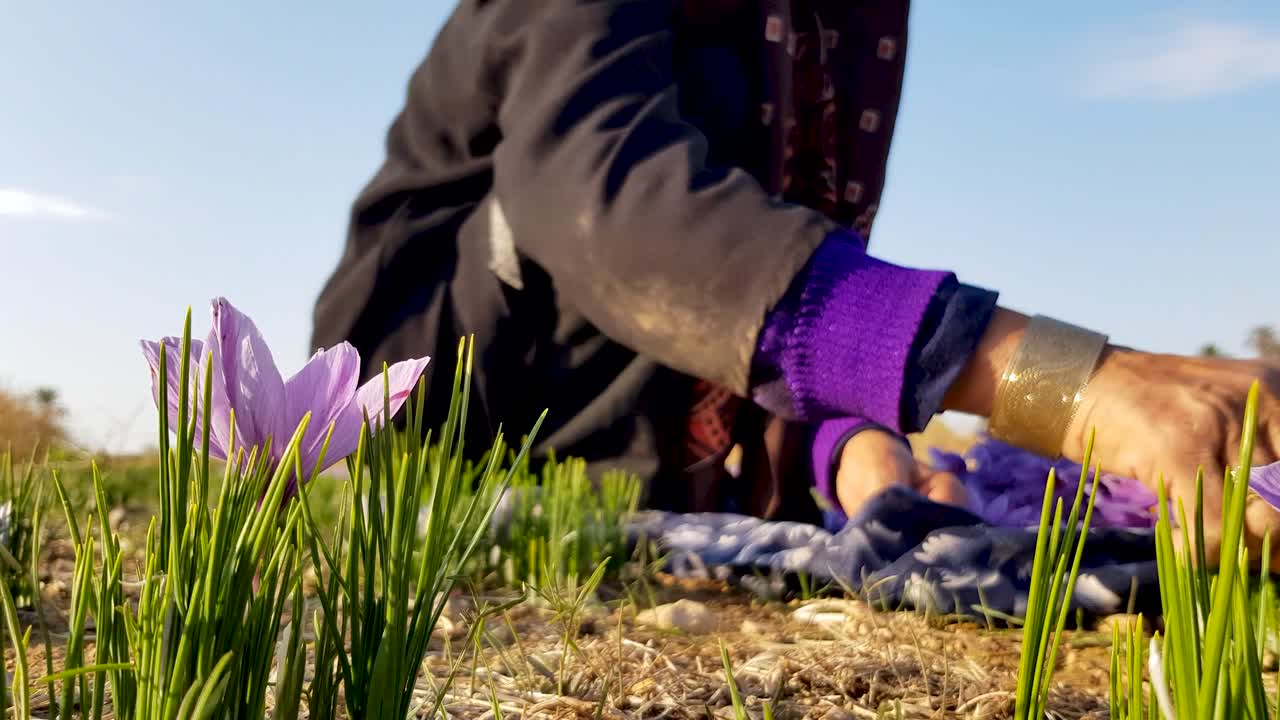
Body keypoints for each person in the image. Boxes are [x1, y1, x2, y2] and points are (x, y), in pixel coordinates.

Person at [311, 0, 1280, 564]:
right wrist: (1070, 385)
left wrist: (859, 455)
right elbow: (612, 216)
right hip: (435, 422)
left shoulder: (835, 35)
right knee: (637, 198)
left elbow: (795, 298)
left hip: (662, 456)